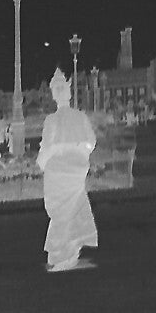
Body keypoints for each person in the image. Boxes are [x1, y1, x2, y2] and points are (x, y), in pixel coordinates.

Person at [38, 68, 99, 271]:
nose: (60, 92)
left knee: (63, 213)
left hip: (61, 172)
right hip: (72, 170)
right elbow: (90, 142)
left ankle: (61, 252)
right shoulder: (74, 118)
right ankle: (67, 251)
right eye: (58, 88)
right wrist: (77, 150)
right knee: (71, 210)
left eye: (61, 88)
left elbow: (46, 151)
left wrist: (54, 153)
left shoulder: (53, 121)